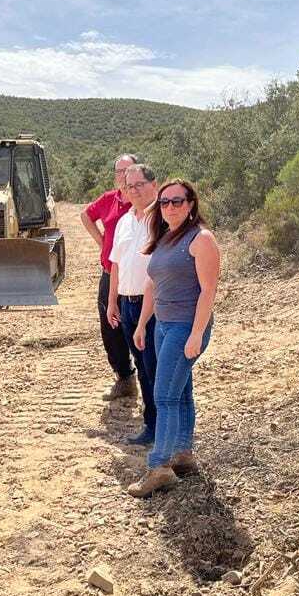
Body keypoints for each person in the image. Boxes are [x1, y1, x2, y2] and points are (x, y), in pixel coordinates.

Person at [128, 179, 220, 498]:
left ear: (191, 204)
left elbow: (208, 290)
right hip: (163, 326)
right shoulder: (166, 237)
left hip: (185, 327)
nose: (170, 207)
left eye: (177, 201)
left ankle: (159, 467)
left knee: (164, 395)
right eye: (165, 202)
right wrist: (142, 324)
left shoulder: (201, 239)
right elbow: (153, 284)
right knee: (179, 393)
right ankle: (182, 455)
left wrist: (196, 334)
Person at [106, 163, 158, 445]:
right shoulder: (125, 221)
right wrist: (112, 301)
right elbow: (116, 264)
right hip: (127, 304)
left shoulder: (163, 218)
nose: (134, 190)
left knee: (154, 365)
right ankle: (153, 423)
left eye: (139, 184)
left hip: (152, 307)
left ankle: (157, 425)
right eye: (129, 186)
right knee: (141, 362)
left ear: (154, 185)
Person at [81, 155, 137, 400]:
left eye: (128, 170)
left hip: (135, 276)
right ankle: (124, 379)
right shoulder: (108, 200)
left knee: (137, 325)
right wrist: (102, 242)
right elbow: (85, 216)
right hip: (109, 273)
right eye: (119, 171)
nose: (123, 175)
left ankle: (150, 382)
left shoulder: (143, 203)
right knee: (110, 328)